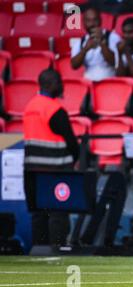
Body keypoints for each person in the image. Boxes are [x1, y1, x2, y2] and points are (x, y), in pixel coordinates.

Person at [23, 69, 79, 247]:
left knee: (38, 214)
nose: (61, 86)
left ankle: (39, 253)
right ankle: (56, 253)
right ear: (51, 84)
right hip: (55, 170)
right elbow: (71, 141)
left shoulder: (29, 107)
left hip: (32, 170)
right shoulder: (54, 109)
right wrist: (74, 158)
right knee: (57, 214)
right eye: (59, 82)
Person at [71, 5, 121, 82]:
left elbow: (114, 62)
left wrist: (102, 42)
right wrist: (85, 49)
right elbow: (74, 65)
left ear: (100, 20)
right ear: (83, 22)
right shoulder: (80, 41)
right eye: (88, 21)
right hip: (89, 83)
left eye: (95, 20)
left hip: (110, 82)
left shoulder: (112, 37)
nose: (92, 24)